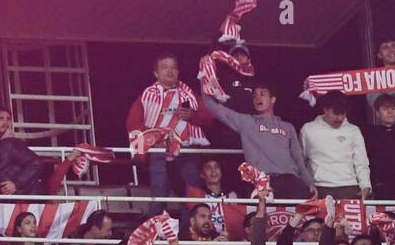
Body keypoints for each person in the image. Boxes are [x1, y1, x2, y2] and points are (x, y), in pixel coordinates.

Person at [126, 53, 212, 215]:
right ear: (156, 73)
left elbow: (209, 118)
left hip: (187, 152)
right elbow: (132, 124)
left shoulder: (190, 94)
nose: (170, 71)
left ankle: (189, 236)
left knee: (191, 197)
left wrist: (193, 116)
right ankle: (153, 236)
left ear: (178, 72)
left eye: (173, 67)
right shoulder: (146, 95)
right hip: (159, 152)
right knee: (159, 196)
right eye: (164, 67)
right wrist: (152, 140)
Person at [202, 84, 314, 199]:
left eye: (262, 94)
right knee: (261, 216)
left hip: (289, 181)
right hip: (261, 181)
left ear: (272, 99)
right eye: (255, 96)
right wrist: (204, 78)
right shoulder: (247, 122)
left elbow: (298, 160)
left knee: (301, 212)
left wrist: (310, 183)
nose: (257, 98)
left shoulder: (287, 127)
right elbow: (213, 107)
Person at [299, 92, 371, 199]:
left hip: (349, 186)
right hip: (319, 187)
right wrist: (308, 184)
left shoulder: (353, 130)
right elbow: (300, 161)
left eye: (343, 113)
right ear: (326, 110)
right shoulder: (308, 129)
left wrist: (365, 185)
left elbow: (361, 162)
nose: (340, 118)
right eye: (336, 113)